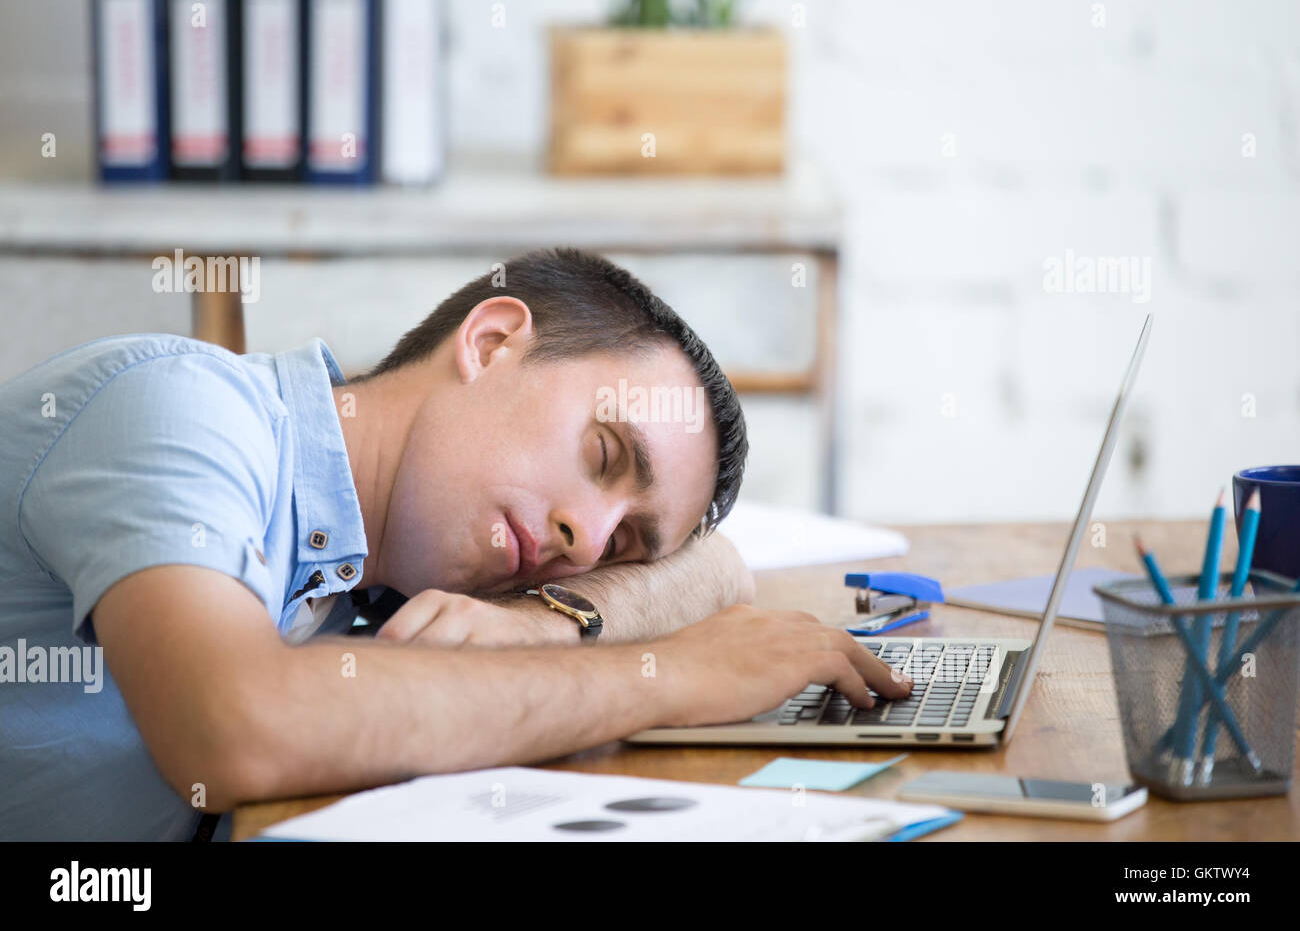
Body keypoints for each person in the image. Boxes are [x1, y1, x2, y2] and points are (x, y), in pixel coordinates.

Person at [0, 247, 910, 840]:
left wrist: (553, 625)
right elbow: (231, 728)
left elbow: (716, 565)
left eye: (626, 541)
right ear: (494, 339)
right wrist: (665, 678)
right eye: (602, 454)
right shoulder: (180, 410)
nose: (584, 540)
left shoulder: (388, 575)